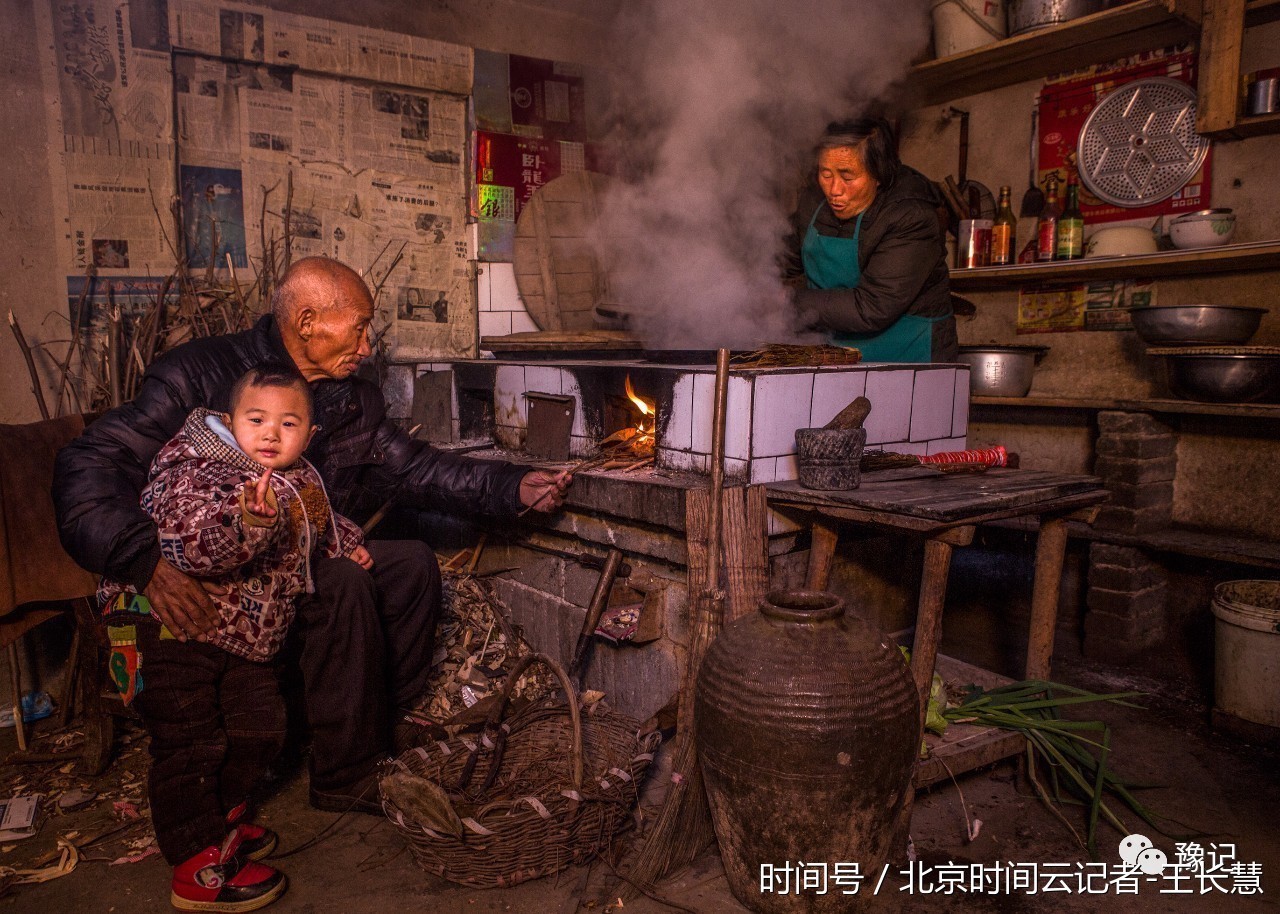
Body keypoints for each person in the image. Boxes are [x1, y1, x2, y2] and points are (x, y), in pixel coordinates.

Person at [54, 256, 570, 817]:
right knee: (345, 581)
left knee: (412, 565)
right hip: (216, 571)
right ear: (306, 323)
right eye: (360, 326)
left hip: (298, 556)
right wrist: (143, 560)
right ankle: (343, 775)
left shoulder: (352, 397)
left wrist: (515, 488)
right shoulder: (196, 374)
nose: (368, 346)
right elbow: (88, 463)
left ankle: (372, 730)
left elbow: (417, 469)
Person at [98, 365, 367, 911]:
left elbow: (321, 525)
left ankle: (220, 819)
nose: (271, 433)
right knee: (191, 742)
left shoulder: (299, 477)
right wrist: (245, 523)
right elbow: (189, 545)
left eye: (288, 423)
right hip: (165, 627)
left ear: (309, 435)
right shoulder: (196, 470)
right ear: (228, 421)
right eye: (257, 419)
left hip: (238, 636)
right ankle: (196, 865)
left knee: (260, 727)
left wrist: (348, 546)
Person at [782, 117, 957, 363]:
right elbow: (779, 257)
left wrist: (783, 301)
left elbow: (872, 307)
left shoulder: (911, 215)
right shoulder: (813, 203)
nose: (834, 190)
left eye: (848, 176)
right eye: (826, 174)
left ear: (878, 174)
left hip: (908, 356)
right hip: (838, 355)